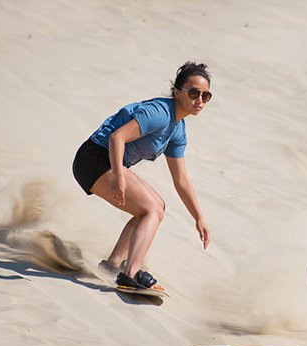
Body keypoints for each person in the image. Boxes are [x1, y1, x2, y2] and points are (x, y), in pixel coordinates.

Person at [71, 61, 213, 293]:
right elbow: (117, 138)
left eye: (205, 96)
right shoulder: (159, 113)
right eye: (194, 92)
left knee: (149, 210)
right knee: (153, 208)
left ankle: (112, 265)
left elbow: (181, 180)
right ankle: (132, 274)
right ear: (177, 92)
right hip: (94, 158)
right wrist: (118, 176)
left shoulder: (178, 129)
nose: (199, 100)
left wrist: (199, 218)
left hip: (107, 163)